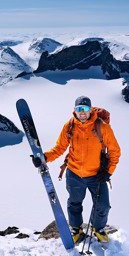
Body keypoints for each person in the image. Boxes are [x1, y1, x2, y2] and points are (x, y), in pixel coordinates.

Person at [31, 96, 121, 243]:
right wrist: (44, 158)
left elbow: (115, 151)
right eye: (79, 109)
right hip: (74, 173)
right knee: (74, 203)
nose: (82, 112)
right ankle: (75, 228)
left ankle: (97, 228)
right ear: (75, 110)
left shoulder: (102, 127)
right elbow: (59, 148)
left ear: (91, 110)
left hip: (96, 175)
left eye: (85, 109)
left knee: (103, 205)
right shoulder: (70, 126)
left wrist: (108, 172)